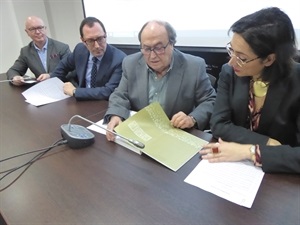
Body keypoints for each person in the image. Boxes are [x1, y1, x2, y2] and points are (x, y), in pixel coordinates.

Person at [199, 7, 300, 174]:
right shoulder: (229, 72)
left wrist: (251, 151)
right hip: (236, 169)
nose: (232, 62)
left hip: (280, 176)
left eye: (242, 58)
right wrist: (266, 143)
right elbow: (219, 124)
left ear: (269, 59)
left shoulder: (296, 81)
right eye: (231, 50)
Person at [104, 20, 216, 141]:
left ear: (172, 44)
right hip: (142, 134)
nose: (152, 56)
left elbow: (210, 100)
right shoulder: (130, 63)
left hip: (175, 137)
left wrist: (191, 118)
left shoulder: (194, 66)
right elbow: (120, 94)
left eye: (159, 48)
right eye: (146, 48)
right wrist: (116, 114)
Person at [38, 17, 126, 100]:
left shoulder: (119, 59)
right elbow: (64, 66)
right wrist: (51, 77)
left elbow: (108, 91)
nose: (97, 46)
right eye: (90, 41)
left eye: (100, 38)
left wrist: (75, 91)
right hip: (79, 101)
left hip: (102, 104)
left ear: (105, 35)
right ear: (83, 40)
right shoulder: (80, 50)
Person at [6, 16, 71, 86]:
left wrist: (50, 76)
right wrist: (15, 77)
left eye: (40, 28)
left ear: (45, 29)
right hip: (42, 88)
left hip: (63, 87)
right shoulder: (25, 52)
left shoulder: (62, 47)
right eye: (32, 29)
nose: (37, 32)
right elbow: (13, 71)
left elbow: (71, 71)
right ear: (27, 32)